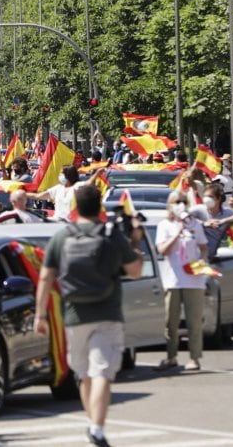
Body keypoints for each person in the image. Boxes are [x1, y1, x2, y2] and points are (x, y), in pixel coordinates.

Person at [35, 185, 142, 447]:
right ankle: (97, 427)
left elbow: (46, 277)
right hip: (108, 312)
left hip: (73, 314)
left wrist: (41, 316)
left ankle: (93, 423)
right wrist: (136, 241)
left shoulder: (62, 237)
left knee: (84, 374)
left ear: (75, 207)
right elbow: (136, 271)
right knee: (102, 373)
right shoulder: (111, 235)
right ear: (100, 208)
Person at [154, 190, 208, 372]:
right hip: (172, 279)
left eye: (183, 201)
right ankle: (171, 357)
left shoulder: (195, 224)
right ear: (170, 205)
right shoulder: (164, 225)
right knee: (171, 321)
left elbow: (203, 247)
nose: (181, 205)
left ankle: (194, 358)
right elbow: (162, 250)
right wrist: (177, 233)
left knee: (194, 322)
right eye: (177, 201)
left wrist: (203, 260)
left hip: (193, 280)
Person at [189, 182, 233, 258]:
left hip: (211, 256)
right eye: (205, 196)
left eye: (210, 196)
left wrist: (223, 221)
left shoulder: (226, 212)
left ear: (218, 199)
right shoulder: (199, 209)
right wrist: (204, 223)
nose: (206, 199)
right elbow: (182, 217)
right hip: (194, 256)